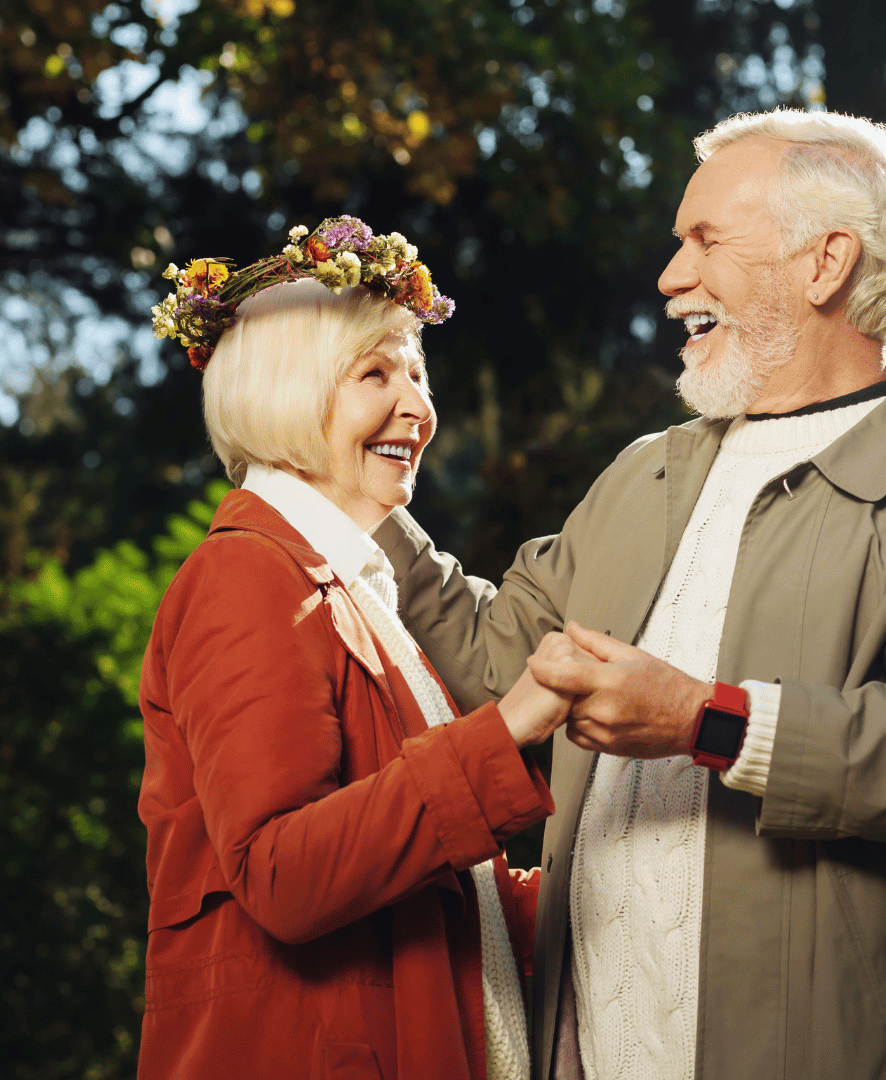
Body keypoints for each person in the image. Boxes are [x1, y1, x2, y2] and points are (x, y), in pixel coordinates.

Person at [375, 109, 886, 1078]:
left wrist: (705, 721)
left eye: (704, 240)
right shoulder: (643, 475)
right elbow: (491, 663)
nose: (671, 276)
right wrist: (346, 489)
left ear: (824, 262)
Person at [135, 224, 569, 1080]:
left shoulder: (352, 588)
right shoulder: (246, 576)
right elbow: (283, 873)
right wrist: (506, 730)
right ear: (286, 395)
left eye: (417, 373)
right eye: (377, 374)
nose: (418, 406)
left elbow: (429, 875)